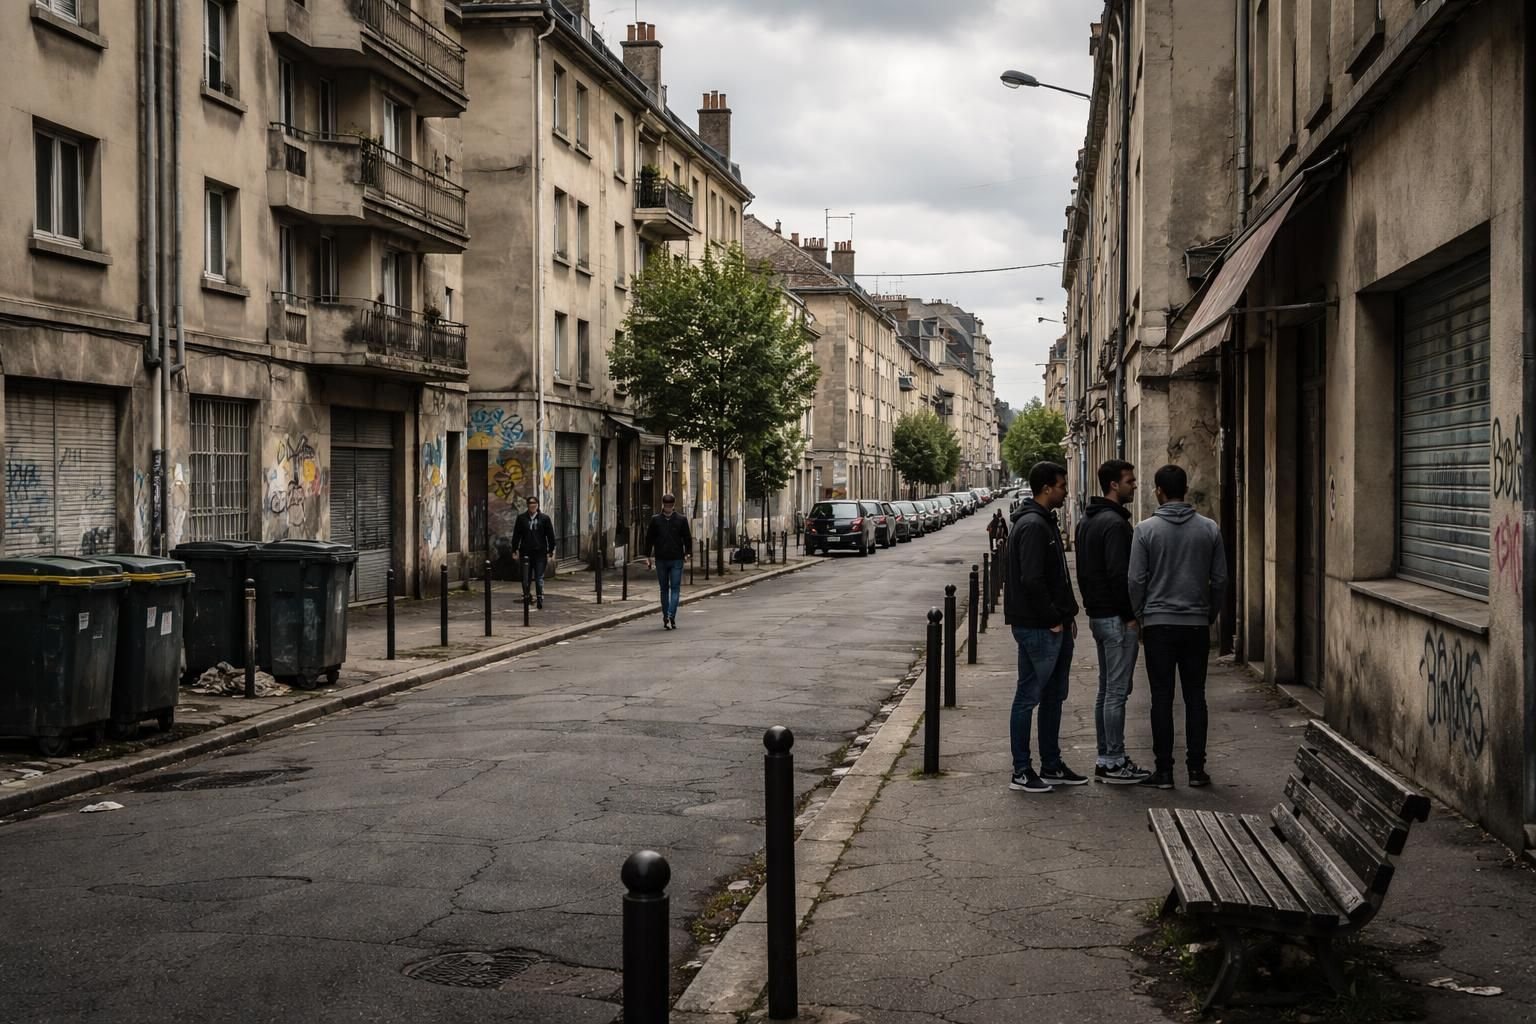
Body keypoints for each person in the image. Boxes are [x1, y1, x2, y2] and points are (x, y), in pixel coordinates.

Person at [1129, 464, 1228, 790]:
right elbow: (1220, 580)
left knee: (1161, 698)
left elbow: (1135, 580)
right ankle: (1197, 770)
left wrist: (1142, 614)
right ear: (1185, 489)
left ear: (1158, 490)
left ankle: (1165, 771)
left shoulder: (1145, 530)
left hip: (1159, 625)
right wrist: (1209, 614)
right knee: (1195, 697)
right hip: (1196, 625)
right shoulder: (1209, 529)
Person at [1002, 461, 1084, 793]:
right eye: (1063, 486)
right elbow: (1032, 580)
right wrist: (1053, 617)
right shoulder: (1034, 525)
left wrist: (1066, 615)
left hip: (1051, 623)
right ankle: (1022, 771)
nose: (1066, 491)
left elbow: (1053, 578)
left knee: (1052, 697)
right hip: (1039, 626)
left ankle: (1051, 764)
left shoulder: (1041, 522)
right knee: (1029, 696)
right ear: (1047, 488)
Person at [1076, 459, 1150, 785]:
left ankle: (1106, 757)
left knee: (1106, 691)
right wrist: (1131, 616)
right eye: (1130, 481)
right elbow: (1121, 576)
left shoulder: (1087, 521)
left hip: (1098, 615)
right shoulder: (1115, 525)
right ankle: (1115, 761)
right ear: (1113, 486)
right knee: (1116, 692)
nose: (1135, 485)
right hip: (1116, 619)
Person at [644, 493, 692, 630]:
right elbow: (649, 539)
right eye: (667, 505)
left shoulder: (678, 520)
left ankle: (669, 615)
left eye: (669, 506)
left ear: (672, 505)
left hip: (674, 558)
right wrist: (647, 556)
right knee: (669, 589)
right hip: (664, 559)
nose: (668, 508)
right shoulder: (658, 520)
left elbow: (687, 538)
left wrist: (687, 553)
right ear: (664, 505)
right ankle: (668, 616)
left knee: (670, 589)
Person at [509, 496, 558, 609]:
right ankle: (527, 595)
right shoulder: (522, 519)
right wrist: (514, 549)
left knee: (539, 577)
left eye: (535, 504)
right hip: (526, 552)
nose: (533, 506)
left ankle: (540, 597)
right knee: (526, 577)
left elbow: (550, 535)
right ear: (528, 505)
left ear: (538, 505)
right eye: (531, 504)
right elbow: (517, 535)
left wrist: (551, 550)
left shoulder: (544, 519)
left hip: (540, 552)